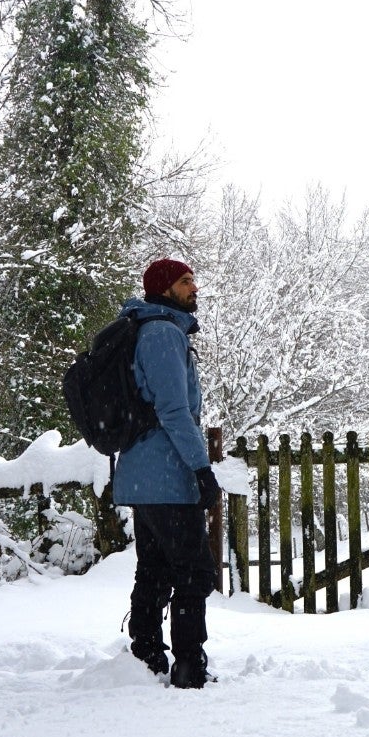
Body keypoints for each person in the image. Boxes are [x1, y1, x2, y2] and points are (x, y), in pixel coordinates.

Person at [112, 258, 222, 689]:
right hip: (166, 477)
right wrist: (201, 468)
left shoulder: (155, 328)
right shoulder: (161, 332)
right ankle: (188, 665)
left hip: (147, 475)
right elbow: (175, 411)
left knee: (155, 569)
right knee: (194, 572)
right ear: (164, 288)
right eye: (185, 281)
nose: (194, 287)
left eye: (194, 279)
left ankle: (147, 658)